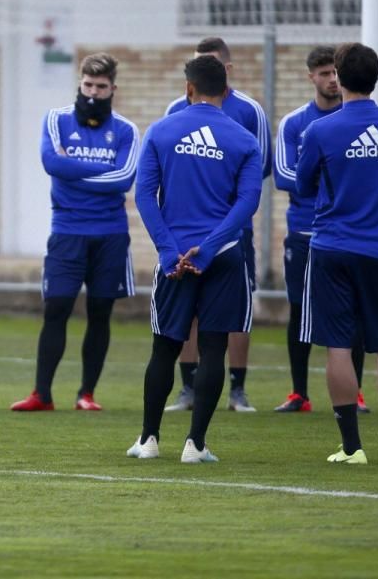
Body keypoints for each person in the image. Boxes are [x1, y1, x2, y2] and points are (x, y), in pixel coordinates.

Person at [128, 54, 261, 463]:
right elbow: (248, 203)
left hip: (174, 261)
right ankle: (195, 445)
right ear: (225, 90)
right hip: (221, 257)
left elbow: (144, 195)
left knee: (164, 348)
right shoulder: (244, 139)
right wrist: (212, 244)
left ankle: (149, 440)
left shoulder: (161, 131)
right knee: (214, 349)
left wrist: (170, 251)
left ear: (188, 89)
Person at [296, 42, 378, 464]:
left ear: (340, 78)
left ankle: (352, 448)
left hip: (331, 247)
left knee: (338, 347)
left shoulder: (321, 130)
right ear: (376, 78)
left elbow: (303, 184)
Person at [11, 52, 140, 413]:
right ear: (79, 83)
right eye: (87, 85)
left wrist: (73, 169)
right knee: (56, 309)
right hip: (67, 230)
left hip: (111, 234)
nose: (93, 93)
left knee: (100, 312)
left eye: (101, 86)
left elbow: (124, 179)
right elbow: (52, 162)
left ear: (113, 88)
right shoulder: (56, 120)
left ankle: (87, 394)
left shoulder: (127, 130)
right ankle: (42, 394)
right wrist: (98, 171)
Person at [163, 36, 268, 413]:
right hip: (185, 236)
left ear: (227, 69)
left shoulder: (250, 111)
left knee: (237, 312)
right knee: (188, 313)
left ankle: (237, 389)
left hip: (232, 233)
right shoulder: (175, 111)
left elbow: (262, 167)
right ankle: (188, 388)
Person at [272, 46, 368, 413]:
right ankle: (299, 393)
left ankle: (355, 393)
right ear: (311, 76)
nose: (332, 80)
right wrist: (334, 182)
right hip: (304, 231)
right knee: (299, 310)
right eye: (324, 73)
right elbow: (283, 176)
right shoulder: (296, 123)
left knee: (351, 312)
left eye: (336, 73)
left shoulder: (355, 120)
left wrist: (319, 180)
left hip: (345, 232)